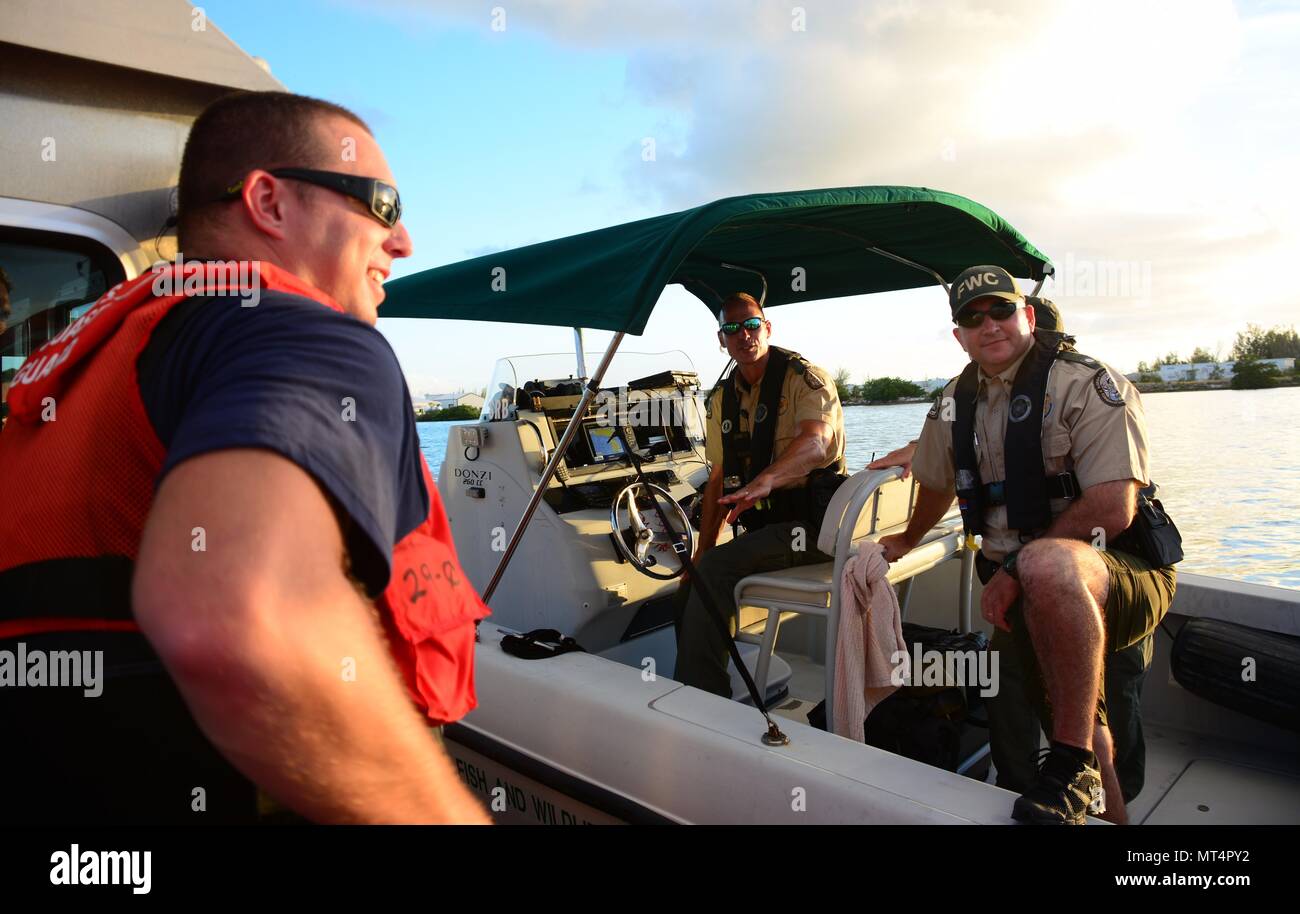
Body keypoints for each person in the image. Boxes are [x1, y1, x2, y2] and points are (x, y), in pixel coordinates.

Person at [0, 91, 490, 824]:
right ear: (269, 201)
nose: (404, 241)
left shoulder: (100, 366)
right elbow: (231, 618)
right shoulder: (304, 338)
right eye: (382, 204)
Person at [878, 265, 1175, 824]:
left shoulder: (1087, 383)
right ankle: (1027, 791)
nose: (988, 324)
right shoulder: (951, 403)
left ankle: (1106, 803)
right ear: (959, 335)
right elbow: (939, 482)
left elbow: (1113, 507)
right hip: (1016, 584)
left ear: (1028, 317)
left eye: (1000, 310)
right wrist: (906, 537)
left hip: (1118, 571)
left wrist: (1019, 567)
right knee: (1011, 699)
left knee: (1105, 712)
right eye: (971, 317)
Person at [674, 292, 846, 697]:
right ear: (722, 339)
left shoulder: (805, 379)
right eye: (732, 329)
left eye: (752, 325)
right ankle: (698, 684)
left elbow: (816, 444)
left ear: (766, 329)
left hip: (815, 527)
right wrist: (702, 548)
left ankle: (703, 702)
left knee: (716, 571)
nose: (744, 335)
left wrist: (767, 479)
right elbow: (716, 479)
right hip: (765, 530)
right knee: (695, 579)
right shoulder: (720, 399)